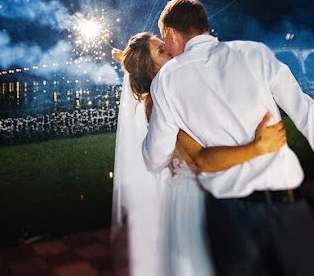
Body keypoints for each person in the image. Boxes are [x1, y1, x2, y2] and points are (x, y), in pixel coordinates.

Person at [143, 0, 314, 275]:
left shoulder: (165, 81)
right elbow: (307, 113)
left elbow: (155, 158)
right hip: (288, 208)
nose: (167, 49)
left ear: (171, 33)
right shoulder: (253, 54)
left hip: (229, 219)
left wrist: (174, 128)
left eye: (164, 39)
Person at [112, 33, 288, 276]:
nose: (171, 50)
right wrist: (256, 146)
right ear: (149, 69)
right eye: (162, 52)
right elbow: (197, 159)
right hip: (194, 196)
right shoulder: (157, 100)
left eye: (164, 45)